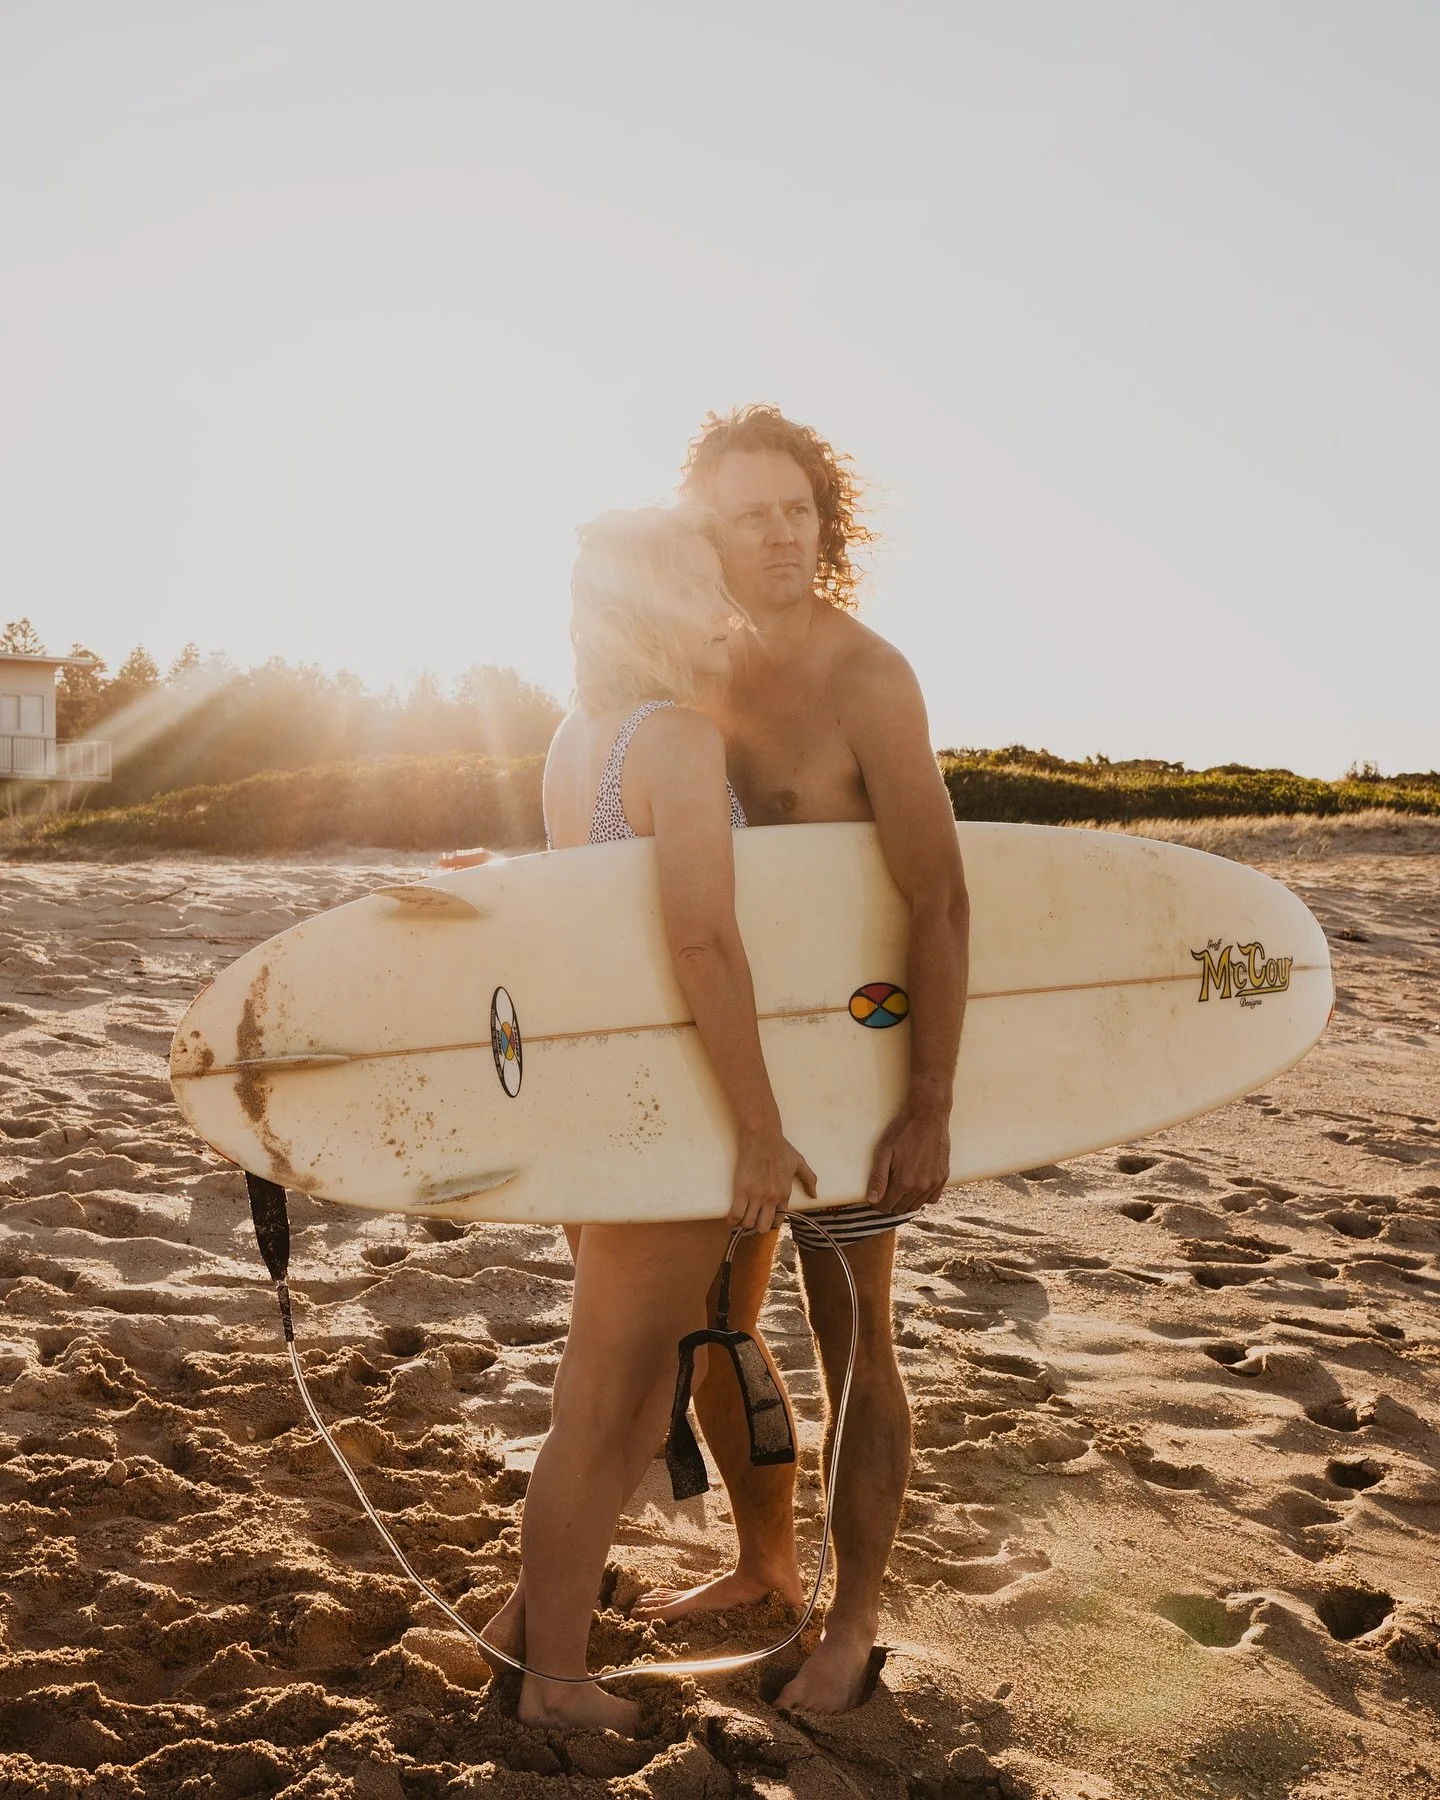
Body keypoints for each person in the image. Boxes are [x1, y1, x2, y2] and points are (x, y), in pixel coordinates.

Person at [633, 407, 971, 1716]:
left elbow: (938, 899)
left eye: (795, 509)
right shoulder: (691, 670)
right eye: (744, 516)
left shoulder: (867, 677)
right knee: (714, 1321)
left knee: (851, 1329)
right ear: (703, 536)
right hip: (738, 1065)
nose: (776, 535)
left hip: (858, 1051)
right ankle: (764, 1565)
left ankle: (853, 1621)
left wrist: (931, 1097)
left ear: (828, 521)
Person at [482, 504, 817, 1734]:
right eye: (694, 579)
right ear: (647, 603)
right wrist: (761, 1125)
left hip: (598, 1098)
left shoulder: (580, 736)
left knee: (619, 1394)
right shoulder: (673, 737)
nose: (719, 595)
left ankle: (525, 1633)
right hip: (662, 1106)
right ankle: (557, 1688)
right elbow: (697, 938)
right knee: (612, 1399)